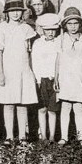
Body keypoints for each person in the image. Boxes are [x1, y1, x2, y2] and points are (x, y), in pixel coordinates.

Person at [0, 0, 37, 142]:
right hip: (8, 70)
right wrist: (0, 73)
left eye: (18, 10)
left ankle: (22, 136)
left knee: (22, 104)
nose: (15, 13)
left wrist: (31, 72)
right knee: (9, 103)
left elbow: (31, 52)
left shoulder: (27, 29)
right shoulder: (1, 28)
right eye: (12, 10)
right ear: (6, 12)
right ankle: (9, 136)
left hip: (23, 70)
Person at [56, 7, 82, 145]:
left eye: (75, 23)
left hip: (79, 76)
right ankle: (64, 137)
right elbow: (58, 59)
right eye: (69, 24)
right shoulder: (61, 39)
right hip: (66, 77)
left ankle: (80, 137)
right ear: (65, 26)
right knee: (65, 106)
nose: (73, 27)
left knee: (78, 107)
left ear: (80, 25)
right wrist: (56, 76)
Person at [31, 13, 61, 143]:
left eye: (53, 30)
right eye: (48, 30)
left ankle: (52, 136)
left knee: (52, 109)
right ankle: (43, 136)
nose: (50, 33)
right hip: (41, 80)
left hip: (54, 80)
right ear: (43, 30)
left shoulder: (59, 43)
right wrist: (37, 80)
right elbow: (35, 62)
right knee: (42, 108)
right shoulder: (38, 43)